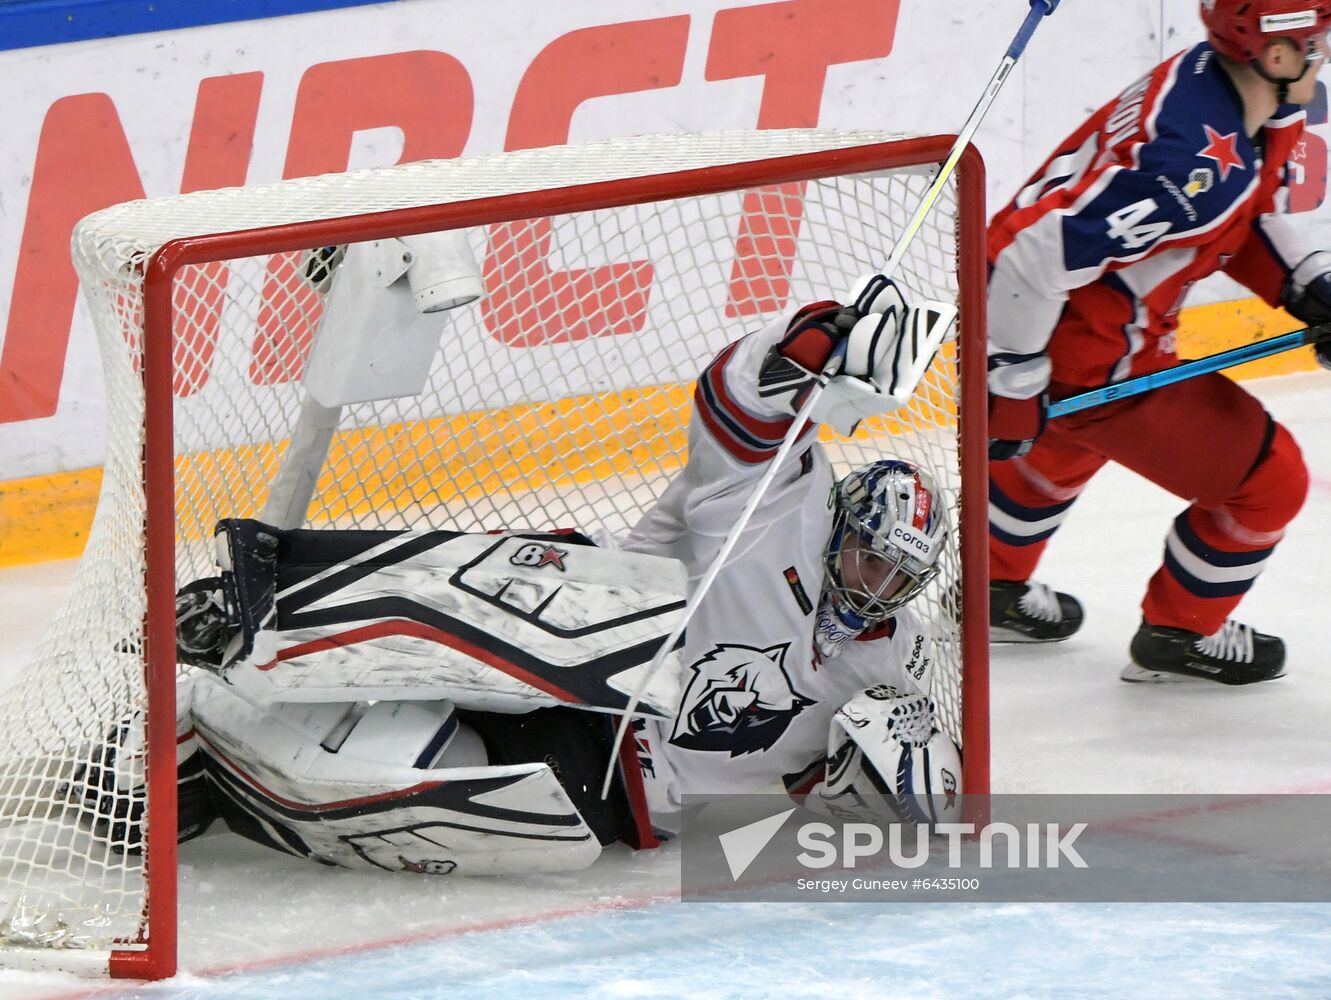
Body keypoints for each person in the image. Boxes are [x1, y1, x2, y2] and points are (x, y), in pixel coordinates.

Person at [118, 279, 961, 875]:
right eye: (869, 556)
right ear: (843, 524)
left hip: (620, 789)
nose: (873, 585)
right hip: (569, 632)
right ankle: (262, 612)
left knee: (427, 776)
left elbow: (907, 785)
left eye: (896, 578)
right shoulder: (786, 505)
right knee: (448, 630)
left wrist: (896, 785)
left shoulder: (894, 660)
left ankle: (204, 761)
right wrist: (810, 341)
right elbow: (735, 407)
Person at [985, 0, 1331, 684]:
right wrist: (1013, 380)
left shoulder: (1218, 87)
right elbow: (1024, 255)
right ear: (1276, 55)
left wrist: (1306, 284)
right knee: (1269, 482)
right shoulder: (1190, 170)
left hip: (1068, 333)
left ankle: (991, 586)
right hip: (1091, 361)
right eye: (1313, 43)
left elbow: (1240, 218)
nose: (1322, 55)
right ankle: (1178, 631)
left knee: (1055, 450)